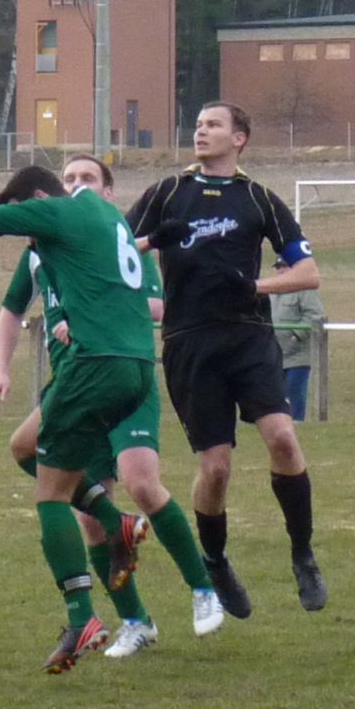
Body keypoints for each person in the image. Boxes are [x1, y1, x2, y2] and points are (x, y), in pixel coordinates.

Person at [0, 162, 218, 672]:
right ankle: (120, 542)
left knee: (55, 496)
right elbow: (23, 302)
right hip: (117, 370)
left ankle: (87, 615)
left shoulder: (62, 214)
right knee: (24, 446)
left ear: (42, 200)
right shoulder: (98, 228)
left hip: (95, 368)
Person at [128, 101, 326, 620]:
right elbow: (116, 250)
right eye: (197, 124)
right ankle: (215, 561)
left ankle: (302, 554)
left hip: (249, 337)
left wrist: (254, 286)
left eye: (213, 125)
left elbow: (307, 273)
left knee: (282, 438)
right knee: (216, 469)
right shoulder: (168, 192)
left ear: (239, 138)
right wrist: (151, 241)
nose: (201, 131)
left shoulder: (258, 198)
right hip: (189, 343)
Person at [270, 258, 326, 422]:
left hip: (297, 358)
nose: (281, 270)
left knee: (294, 397)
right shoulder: (272, 291)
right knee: (274, 399)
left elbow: (316, 315)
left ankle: (297, 426)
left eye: (285, 266)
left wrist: (297, 334)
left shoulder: (305, 290)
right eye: (278, 267)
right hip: (274, 356)